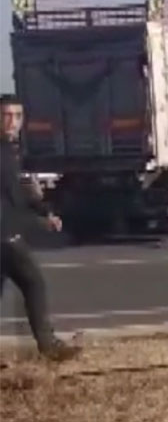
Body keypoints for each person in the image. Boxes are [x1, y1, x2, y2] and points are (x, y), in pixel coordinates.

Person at [1, 94, 79, 361]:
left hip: (7, 234)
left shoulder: (11, 150)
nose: (12, 122)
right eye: (6, 116)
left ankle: (48, 346)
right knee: (34, 283)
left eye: (17, 116)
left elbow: (19, 192)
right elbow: (15, 196)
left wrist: (44, 211)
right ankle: (48, 347)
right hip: (5, 236)